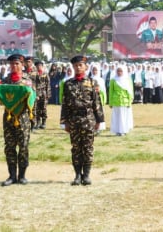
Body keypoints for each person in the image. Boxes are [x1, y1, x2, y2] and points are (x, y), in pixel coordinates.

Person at [61, 55, 105, 186]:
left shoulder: (92, 82)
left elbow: (97, 102)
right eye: (75, 65)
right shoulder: (68, 84)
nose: (78, 67)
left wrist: (99, 120)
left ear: (86, 67)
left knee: (88, 148)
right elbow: (65, 104)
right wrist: (65, 121)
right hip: (74, 119)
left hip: (88, 118)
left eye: (80, 65)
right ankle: (77, 176)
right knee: (75, 148)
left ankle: (86, 175)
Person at [0, 54, 35, 186]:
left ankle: (22, 175)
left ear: (22, 65)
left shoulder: (28, 81)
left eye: (17, 64)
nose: (14, 66)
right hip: (9, 117)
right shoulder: (5, 80)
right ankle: (12, 176)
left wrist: (33, 119)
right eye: (12, 64)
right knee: (9, 147)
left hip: (23, 118)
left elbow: (32, 100)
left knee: (23, 146)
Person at [109, 64, 134, 136]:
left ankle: (124, 130)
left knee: (124, 116)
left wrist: (130, 102)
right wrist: (110, 102)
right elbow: (111, 92)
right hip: (116, 101)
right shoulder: (113, 80)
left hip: (125, 101)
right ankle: (117, 130)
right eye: (118, 71)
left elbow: (130, 92)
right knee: (117, 116)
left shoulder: (127, 80)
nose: (119, 72)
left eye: (121, 71)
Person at [34, 61, 51, 129]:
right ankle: (38, 122)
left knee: (43, 108)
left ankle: (43, 122)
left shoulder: (45, 74)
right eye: (37, 66)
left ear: (42, 66)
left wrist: (48, 94)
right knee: (37, 108)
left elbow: (48, 84)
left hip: (44, 93)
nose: (39, 67)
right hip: (37, 93)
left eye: (40, 65)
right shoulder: (34, 74)